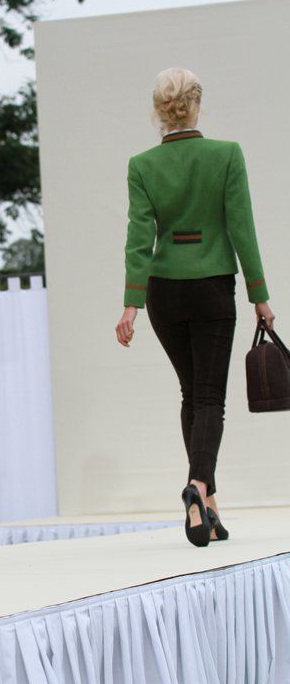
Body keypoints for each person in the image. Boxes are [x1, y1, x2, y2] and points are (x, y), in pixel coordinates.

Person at [115, 67, 275, 548]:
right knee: (209, 398)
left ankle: (209, 509)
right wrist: (259, 294)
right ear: (196, 104)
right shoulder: (226, 155)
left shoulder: (142, 165)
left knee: (192, 394)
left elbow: (139, 238)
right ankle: (198, 487)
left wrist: (131, 304)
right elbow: (241, 227)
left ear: (159, 110)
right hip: (211, 288)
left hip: (164, 292)